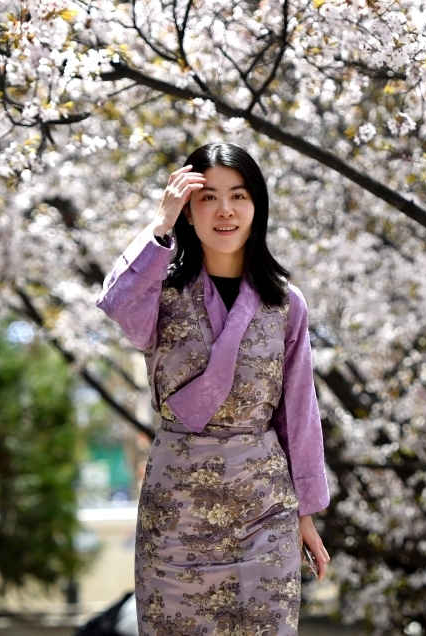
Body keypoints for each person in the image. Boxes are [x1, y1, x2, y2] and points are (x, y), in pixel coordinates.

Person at [96, 142, 330, 635]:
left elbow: (299, 411)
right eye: (208, 198)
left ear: (256, 206)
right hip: (176, 505)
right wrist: (160, 222)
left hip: (264, 505)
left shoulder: (285, 303)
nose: (225, 210)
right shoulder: (159, 293)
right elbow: (116, 303)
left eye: (238, 196)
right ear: (188, 210)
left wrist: (306, 514)